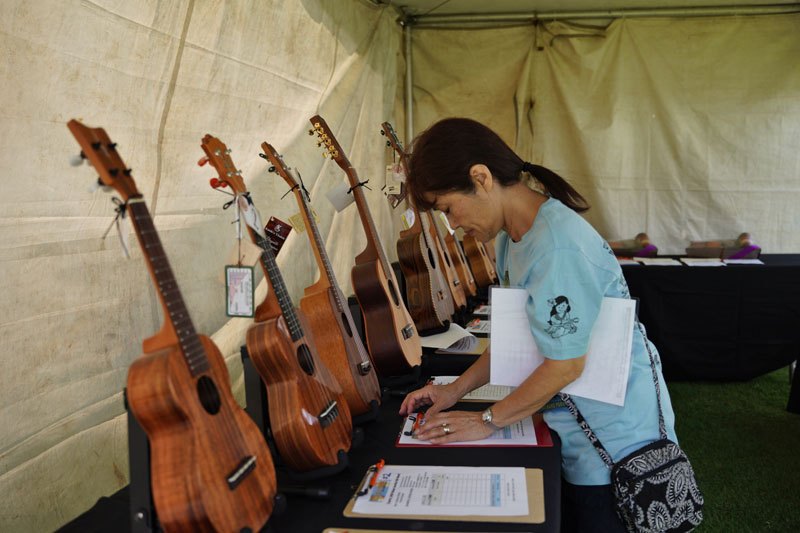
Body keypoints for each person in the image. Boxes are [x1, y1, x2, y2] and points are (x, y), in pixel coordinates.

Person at [398, 117, 678, 533]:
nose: (452, 225)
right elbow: (517, 340)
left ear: (481, 178)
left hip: (615, 444)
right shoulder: (511, 238)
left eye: (448, 208)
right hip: (579, 427)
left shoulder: (556, 247)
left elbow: (566, 365)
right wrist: (453, 391)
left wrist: (486, 421)